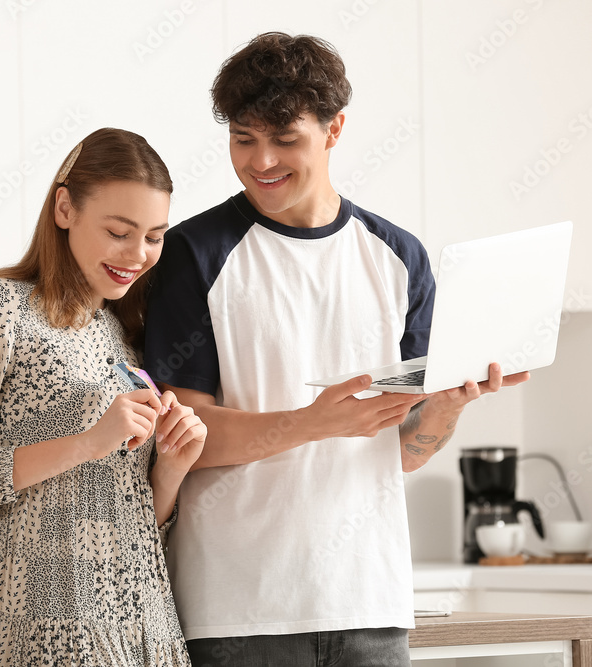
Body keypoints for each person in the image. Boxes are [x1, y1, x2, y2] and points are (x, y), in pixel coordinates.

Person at [145, 33, 529, 666]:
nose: (260, 159)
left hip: (370, 602)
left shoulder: (399, 258)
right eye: (243, 138)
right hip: (241, 609)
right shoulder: (195, 253)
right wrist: (312, 423)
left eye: (284, 139)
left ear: (334, 130)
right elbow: (185, 438)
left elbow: (401, 452)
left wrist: (450, 405)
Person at [0, 128, 206, 666]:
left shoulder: (121, 332)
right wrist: (88, 442)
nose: (138, 254)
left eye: (155, 236)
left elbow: (124, 517)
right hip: (41, 629)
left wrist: (170, 471)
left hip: (143, 627)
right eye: (119, 231)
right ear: (64, 207)